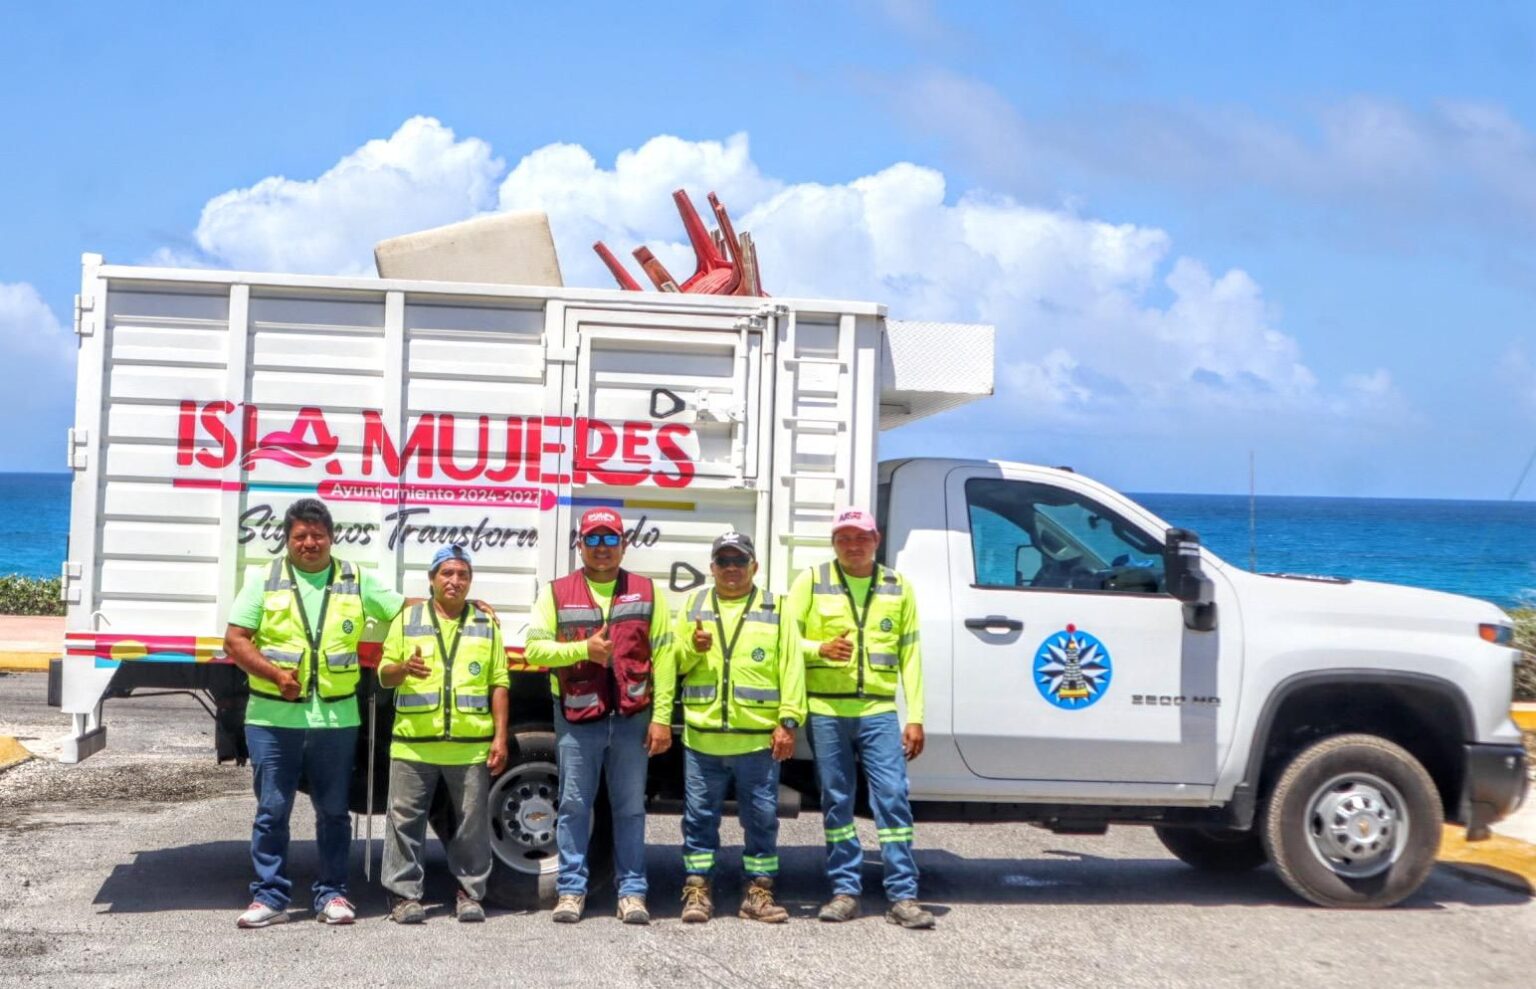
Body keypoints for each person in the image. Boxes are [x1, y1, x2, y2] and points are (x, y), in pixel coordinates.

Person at [223, 497, 405, 929]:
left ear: (331, 538)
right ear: (287, 540)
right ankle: (269, 896)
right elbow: (235, 640)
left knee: (335, 812)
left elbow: (404, 609)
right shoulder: (265, 580)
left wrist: (462, 608)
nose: (310, 543)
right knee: (272, 811)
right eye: (300, 536)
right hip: (272, 720)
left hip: (336, 722)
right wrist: (275, 675)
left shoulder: (354, 579)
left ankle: (332, 894)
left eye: (317, 535)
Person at [786, 507, 936, 930]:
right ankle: (844, 892)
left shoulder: (897, 586)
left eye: (861, 537)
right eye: (844, 538)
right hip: (826, 710)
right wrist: (819, 649)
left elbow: (910, 654)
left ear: (877, 539)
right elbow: (785, 639)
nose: (853, 545)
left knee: (892, 798)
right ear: (834, 543)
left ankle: (903, 895)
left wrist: (915, 716)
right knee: (837, 801)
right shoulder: (812, 580)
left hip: (879, 711)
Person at [523, 508, 675, 925]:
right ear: (580, 545)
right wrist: (582, 650)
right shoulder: (556, 593)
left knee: (630, 809)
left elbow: (664, 655)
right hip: (577, 720)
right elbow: (534, 648)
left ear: (624, 545)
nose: (602, 548)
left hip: (632, 720)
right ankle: (571, 890)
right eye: (593, 539)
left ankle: (632, 892)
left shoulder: (647, 592)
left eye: (610, 539)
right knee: (574, 806)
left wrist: (662, 717)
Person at [674, 532, 805, 924]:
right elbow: (673, 663)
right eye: (724, 561)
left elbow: (792, 667)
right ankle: (698, 891)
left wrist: (788, 722)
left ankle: (758, 893)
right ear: (712, 567)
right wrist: (691, 648)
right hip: (703, 739)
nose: (731, 568)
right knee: (699, 820)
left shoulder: (776, 608)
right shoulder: (694, 605)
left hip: (758, 742)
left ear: (754, 566)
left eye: (739, 561)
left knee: (761, 820)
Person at [377, 544, 509, 924]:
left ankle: (470, 894)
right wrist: (404, 668)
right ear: (432, 579)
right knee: (404, 822)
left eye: (462, 574)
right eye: (446, 573)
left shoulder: (485, 624)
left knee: (471, 825)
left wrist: (500, 737)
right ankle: (404, 897)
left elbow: (499, 683)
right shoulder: (407, 620)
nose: (454, 581)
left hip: (469, 747)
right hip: (413, 745)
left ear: (470, 581)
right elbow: (384, 675)